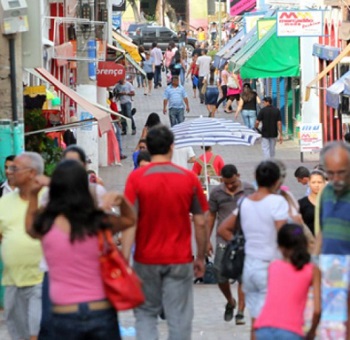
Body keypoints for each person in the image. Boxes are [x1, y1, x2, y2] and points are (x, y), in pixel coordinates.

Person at [25, 159, 136, 340]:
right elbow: (129, 221)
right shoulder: (98, 221)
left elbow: (29, 228)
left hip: (63, 311)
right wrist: (121, 200)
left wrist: (32, 196)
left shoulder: (46, 223)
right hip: (100, 309)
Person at [122, 125, 208, 340]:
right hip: (180, 259)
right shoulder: (189, 178)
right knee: (178, 316)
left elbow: (129, 222)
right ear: (172, 147)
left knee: (145, 313)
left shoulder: (136, 178)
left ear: (148, 148)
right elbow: (200, 221)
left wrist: (124, 259)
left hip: (145, 259)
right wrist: (201, 256)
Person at [218, 160, 289, 340]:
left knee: (256, 321)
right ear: (276, 181)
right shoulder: (277, 202)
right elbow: (283, 235)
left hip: (250, 267)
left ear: (256, 179)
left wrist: (241, 244)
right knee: (274, 321)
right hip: (270, 267)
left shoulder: (245, 203)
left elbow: (223, 229)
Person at [0, 152, 46, 340]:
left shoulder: (49, 198)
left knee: (36, 333)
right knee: (18, 334)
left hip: (41, 280)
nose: (9, 172)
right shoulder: (3, 202)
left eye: (14, 168)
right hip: (12, 281)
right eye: (9, 168)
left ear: (31, 173)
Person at [254, 223, 321, 340]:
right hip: (291, 330)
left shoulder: (273, 266)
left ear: (280, 247)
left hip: (263, 328)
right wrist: (312, 332)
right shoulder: (311, 270)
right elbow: (317, 310)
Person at [208, 164, 255, 325]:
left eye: (233, 183)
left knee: (243, 276)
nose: (229, 186)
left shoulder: (250, 190)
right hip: (223, 239)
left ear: (238, 175)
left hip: (245, 239)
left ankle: (241, 312)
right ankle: (230, 301)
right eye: (226, 182)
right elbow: (211, 216)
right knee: (219, 273)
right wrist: (206, 240)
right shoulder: (216, 192)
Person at [298, 170, 326, 235]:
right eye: (313, 182)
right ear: (309, 183)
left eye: (319, 182)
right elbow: (297, 227)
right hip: (308, 242)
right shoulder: (301, 204)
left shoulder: (331, 203)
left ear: (324, 183)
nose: (316, 185)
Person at [108, 92, 127, 160]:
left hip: (109, 122)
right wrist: (119, 123)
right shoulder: (112, 104)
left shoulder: (107, 104)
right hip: (114, 122)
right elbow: (116, 114)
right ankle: (119, 153)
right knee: (118, 138)